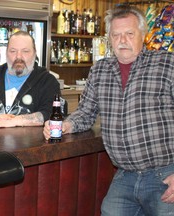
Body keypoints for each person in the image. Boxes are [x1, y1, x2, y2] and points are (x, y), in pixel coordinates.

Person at [43, 5, 174, 216]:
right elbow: (85, 112)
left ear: (143, 35)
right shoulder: (100, 69)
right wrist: (65, 125)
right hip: (125, 175)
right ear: (109, 38)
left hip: (165, 174)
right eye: (116, 35)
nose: (122, 40)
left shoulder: (167, 64)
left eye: (129, 34)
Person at [0, 31, 60, 128]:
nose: (18, 56)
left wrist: (17, 120)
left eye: (25, 51)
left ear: (35, 53)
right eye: (13, 51)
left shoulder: (47, 82)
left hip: (33, 143)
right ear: (6, 53)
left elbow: (53, 113)